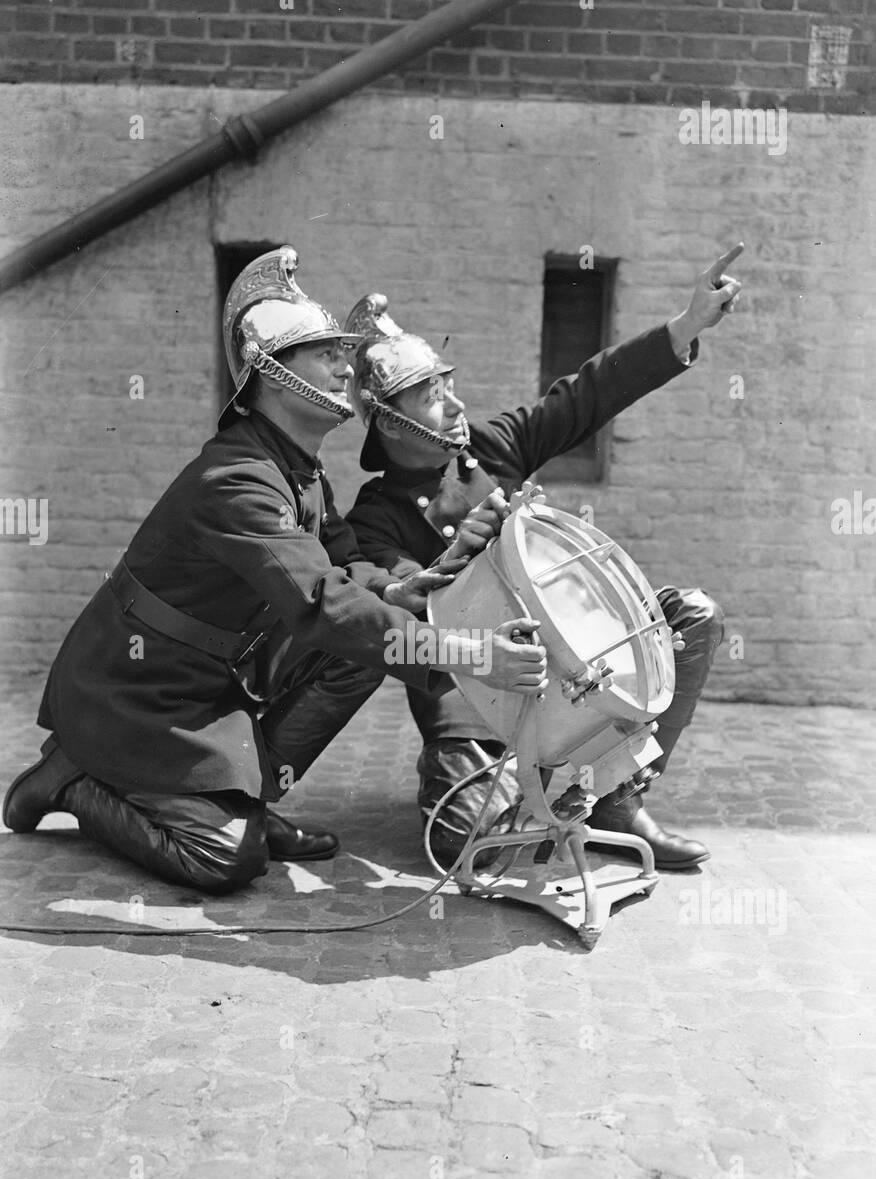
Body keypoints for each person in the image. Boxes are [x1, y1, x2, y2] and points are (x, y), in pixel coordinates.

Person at [3, 247, 545, 893]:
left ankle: (249, 802)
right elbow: (323, 603)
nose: (348, 365)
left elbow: (350, 568)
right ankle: (73, 777)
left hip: (207, 684)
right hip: (135, 697)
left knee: (364, 650)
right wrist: (467, 653)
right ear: (271, 371)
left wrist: (415, 582)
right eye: (326, 353)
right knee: (228, 861)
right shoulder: (236, 480)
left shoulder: (299, 470)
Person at [343, 247, 744, 871]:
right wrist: (457, 553)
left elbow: (586, 394)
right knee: (469, 849)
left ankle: (617, 794)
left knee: (693, 615)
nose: (455, 407)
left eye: (450, 387)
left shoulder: (491, 448)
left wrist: (685, 325)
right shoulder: (372, 518)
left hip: (575, 652)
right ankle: (505, 792)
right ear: (390, 423)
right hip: (475, 693)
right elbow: (398, 607)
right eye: (430, 397)